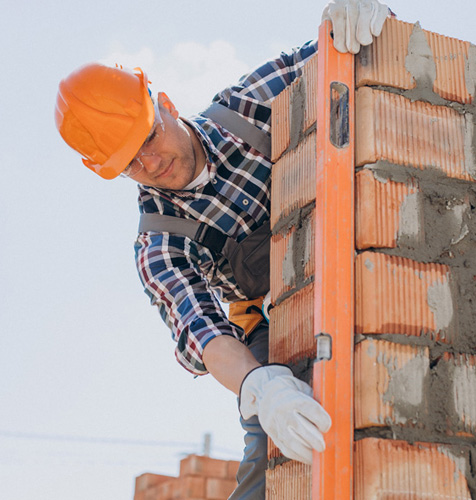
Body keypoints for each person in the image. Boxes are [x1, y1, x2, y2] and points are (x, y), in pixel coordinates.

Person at [54, 1, 389, 498]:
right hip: (269, 331)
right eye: (129, 161)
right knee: (267, 456)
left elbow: (339, 49)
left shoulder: (248, 107)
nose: (152, 161)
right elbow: (204, 335)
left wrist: (352, 20)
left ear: (163, 103)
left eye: (149, 135)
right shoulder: (160, 242)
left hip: (352, 263)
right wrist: (261, 388)